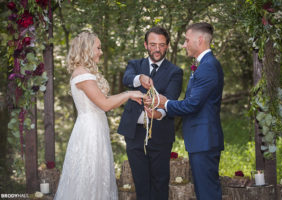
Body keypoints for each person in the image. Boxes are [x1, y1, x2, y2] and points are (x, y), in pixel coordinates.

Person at [54, 32, 145, 200]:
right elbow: (105, 104)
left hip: (95, 127)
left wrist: (129, 95)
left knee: (97, 175)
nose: (101, 52)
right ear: (87, 49)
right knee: (88, 176)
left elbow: (104, 101)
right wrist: (129, 93)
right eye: (98, 48)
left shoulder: (83, 72)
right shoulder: (83, 75)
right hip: (90, 132)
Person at [146, 22, 224, 200]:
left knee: (207, 193)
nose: (183, 44)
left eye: (187, 40)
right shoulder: (203, 64)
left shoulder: (208, 66)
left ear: (200, 40)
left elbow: (192, 104)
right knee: (204, 192)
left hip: (204, 140)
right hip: (201, 140)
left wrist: (164, 104)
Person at [117, 26, 183, 200]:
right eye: (153, 44)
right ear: (146, 45)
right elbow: (126, 79)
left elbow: (171, 98)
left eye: (161, 45)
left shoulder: (175, 72)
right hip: (134, 131)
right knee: (140, 179)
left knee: (160, 179)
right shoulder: (134, 65)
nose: (157, 49)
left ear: (167, 46)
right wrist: (140, 78)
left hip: (160, 130)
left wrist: (158, 113)